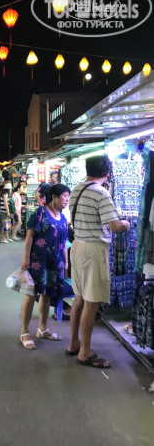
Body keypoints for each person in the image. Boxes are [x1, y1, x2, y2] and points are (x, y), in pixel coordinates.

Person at [67, 155, 130, 369]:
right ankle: (85, 352)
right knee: (91, 303)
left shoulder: (76, 189)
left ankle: (73, 343)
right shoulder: (100, 193)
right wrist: (126, 224)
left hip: (77, 246)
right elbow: (114, 226)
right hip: (93, 250)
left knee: (79, 299)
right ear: (107, 173)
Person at [20, 184, 71, 350]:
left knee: (47, 294)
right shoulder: (41, 213)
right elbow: (29, 236)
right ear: (54, 197)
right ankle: (24, 332)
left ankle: (42, 329)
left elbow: (64, 243)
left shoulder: (62, 218)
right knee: (31, 294)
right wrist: (26, 258)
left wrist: (66, 263)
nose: (67, 200)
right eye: (64, 196)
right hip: (38, 261)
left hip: (55, 263)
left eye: (68, 197)